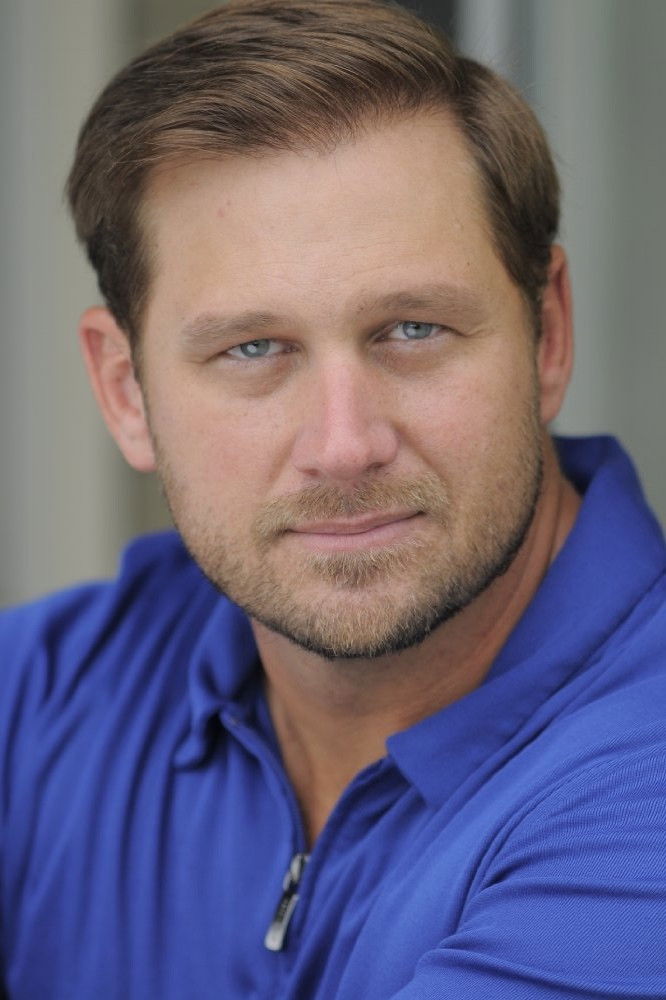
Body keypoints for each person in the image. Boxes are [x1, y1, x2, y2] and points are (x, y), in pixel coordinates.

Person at [1, 0, 665, 996]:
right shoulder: (45, 698)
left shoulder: (644, 794)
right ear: (126, 392)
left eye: (413, 329)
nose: (345, 446)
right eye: (252, 349)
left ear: (549, 337)